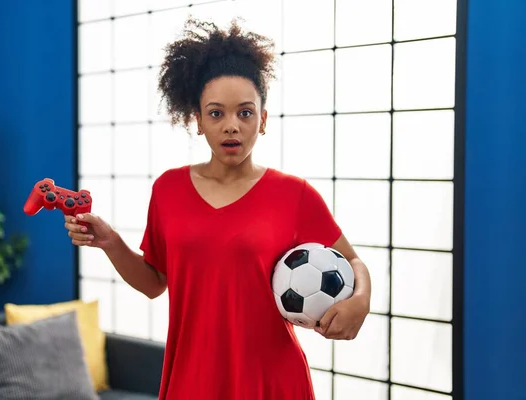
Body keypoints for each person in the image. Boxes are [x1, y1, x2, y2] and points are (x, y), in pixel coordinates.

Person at [65, 18, 371, 400]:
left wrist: (360, 301)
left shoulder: (295, 195)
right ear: (197, 120)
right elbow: (153, 283)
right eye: (216, 113)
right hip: (192, 380)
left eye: (244, 113)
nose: (231, 126)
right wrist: (109, 242)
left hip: (271, 382)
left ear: (262, 120)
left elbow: (353, 263)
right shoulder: (168, 189)